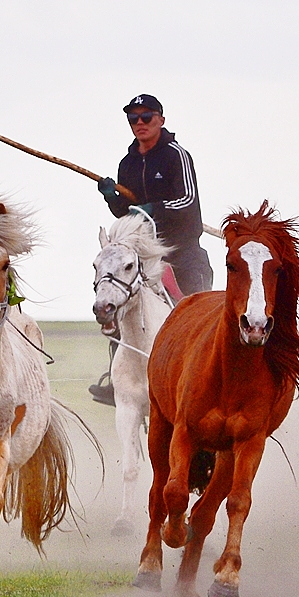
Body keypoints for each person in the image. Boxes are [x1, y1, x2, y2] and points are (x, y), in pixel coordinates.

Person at [90, 93, 213, 406]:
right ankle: (119, 380)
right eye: (134, 118)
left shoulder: (176, 156)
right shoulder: (127, 164)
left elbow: (186, 201)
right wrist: (112, 198)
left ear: (160, 119)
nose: (140, 123)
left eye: (146, 117)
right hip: (143, 255)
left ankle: (206, 381)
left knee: (195, 317)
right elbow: (126, 213)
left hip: (181, 252)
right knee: (120, 300)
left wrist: (151, 208)